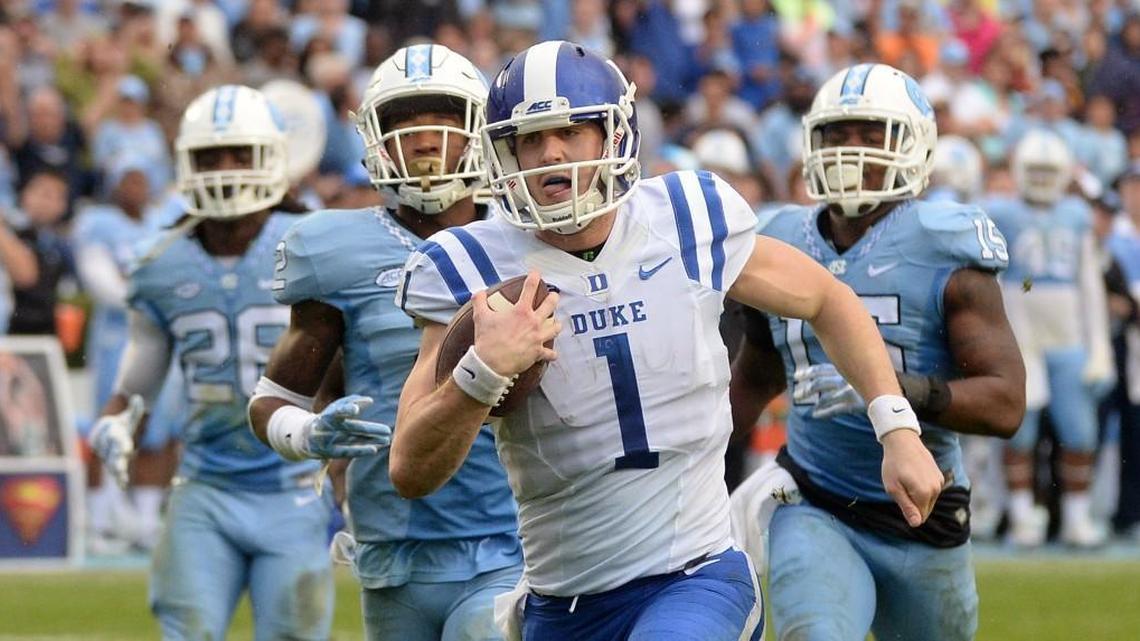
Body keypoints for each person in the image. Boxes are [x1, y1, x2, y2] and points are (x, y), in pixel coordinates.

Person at [392, 42, 945, 641]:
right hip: (560, 602)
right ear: (503, 152)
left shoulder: (686, 218)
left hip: (696, 575)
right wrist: (481, 372)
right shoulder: (468, 266)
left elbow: (827, 299)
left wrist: (897, 428)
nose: (551, 152)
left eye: (572, 130)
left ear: (613, 135)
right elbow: (410, 470)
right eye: (530, 138)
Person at [729, 63, 1026, 641]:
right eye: (836, 135)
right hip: (814, 498)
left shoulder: (942, 243)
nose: (850, 150)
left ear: (914, 145)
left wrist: (890, 392)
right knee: (812, 631)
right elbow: (756, 375)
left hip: (924, 509)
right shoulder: (780, 238)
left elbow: (1005, 403)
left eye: (870, 134)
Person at [248, 44, 523, 641]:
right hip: (390, 552)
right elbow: (271, 398)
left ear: (479, 131)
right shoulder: (332, 249)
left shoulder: (524, 237)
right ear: (375, 138)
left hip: (514, 540)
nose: (425, 139)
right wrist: (308, 434)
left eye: (445, 119)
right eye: (404, 122)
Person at [86, 85, 361, 641]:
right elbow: (142, 371)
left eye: (239, 153)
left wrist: (349, 477)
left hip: (293, 488)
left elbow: (346, 366)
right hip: (205, 486)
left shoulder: (312, 242)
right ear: (187, 163)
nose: (226, 168)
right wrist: (119, 418)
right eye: (212, 156)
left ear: (271, 158)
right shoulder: (160, 263)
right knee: (185, 631)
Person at [985, 129, 1114, 548]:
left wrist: (1099, 349)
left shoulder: (1076, 214)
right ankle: (1023, 516)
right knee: (1017, 432)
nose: (1041, 178)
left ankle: (1077, 517)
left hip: (1067, 336)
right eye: (1034, 170)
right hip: (1020, 339)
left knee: (1079, 432)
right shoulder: (999, 212)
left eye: (1048, 170)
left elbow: (1090, 284)